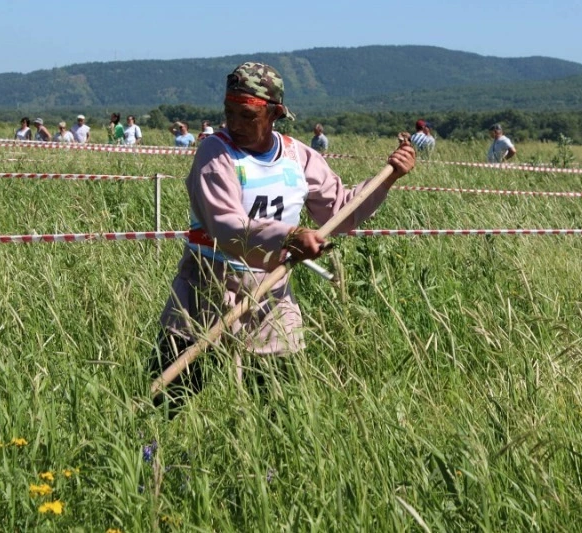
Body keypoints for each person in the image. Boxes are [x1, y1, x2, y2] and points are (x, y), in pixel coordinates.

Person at [152, 61, 415, 402]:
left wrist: (388, 178)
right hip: (206, 289)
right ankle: (147, 451)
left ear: (275, 113)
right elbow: (225, 225)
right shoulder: (215, 152)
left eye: (247, 116)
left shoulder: (298, 157)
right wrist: (289, 237)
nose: (235, 124)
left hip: (271, 294)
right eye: (229, 112)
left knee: (280, 404)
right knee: (169, 401)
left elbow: (339, 212)